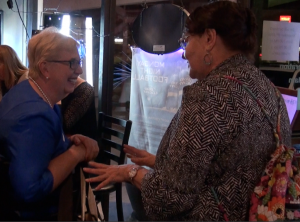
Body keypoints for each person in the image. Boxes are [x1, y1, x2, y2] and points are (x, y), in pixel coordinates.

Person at [83, 1, 291, 221]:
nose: (184, 53)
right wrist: (159, 161)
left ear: (209, 38)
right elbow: (230, 167)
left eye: (186, 40)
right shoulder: (268, 90)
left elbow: (170, 198)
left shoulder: (207, 95)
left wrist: (130, 172)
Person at [0, 27, 99, 220]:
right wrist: (76, 153)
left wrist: (68, 143)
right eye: (71, 63)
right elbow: (29, 189)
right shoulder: (35, 116)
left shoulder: (29, 93)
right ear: (45, 68)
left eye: (79, 62)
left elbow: (39, 149)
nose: (79, 70)